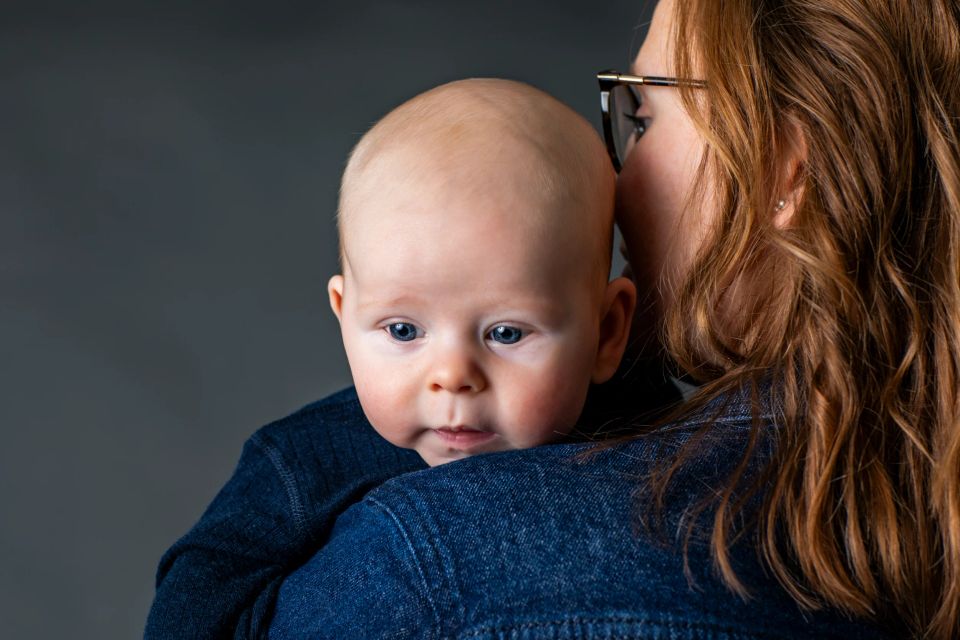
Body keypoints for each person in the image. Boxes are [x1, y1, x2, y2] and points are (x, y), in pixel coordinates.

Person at [265, 0, 960, 638]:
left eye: (644, 116)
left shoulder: (435, 570)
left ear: (784, 169)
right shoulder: (914, 532)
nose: (618, 179)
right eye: (404, 331)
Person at [145, 79, 656, 638]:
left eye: (506, 333)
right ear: (346, 317)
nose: (452, 377)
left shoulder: (648, 425)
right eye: (404, 330)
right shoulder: (305, 461)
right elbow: (194, 597)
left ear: (607, 333)